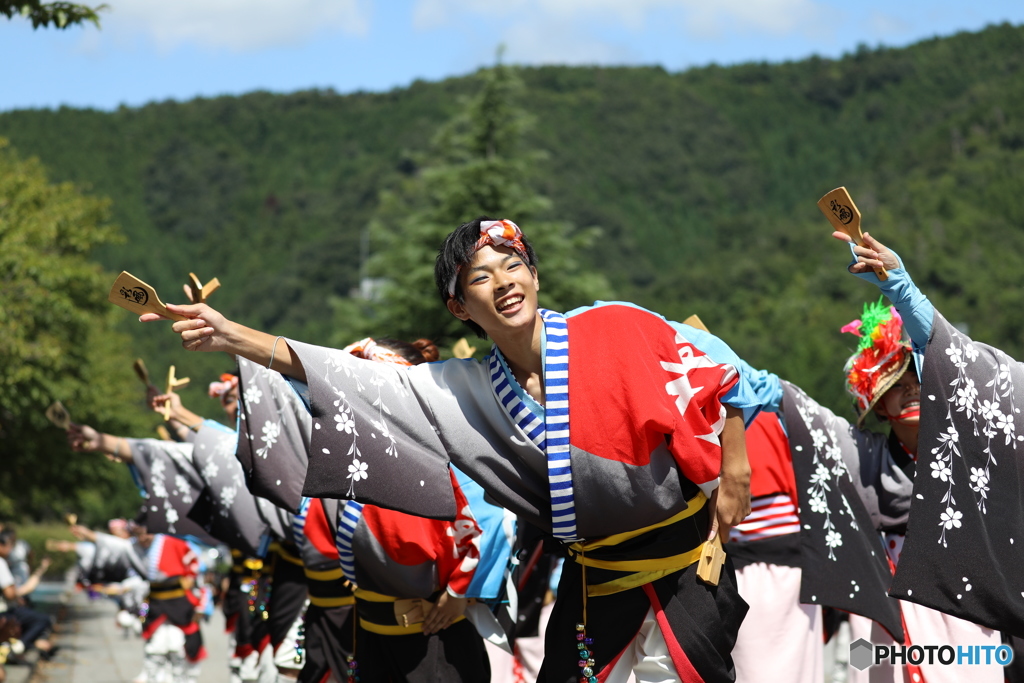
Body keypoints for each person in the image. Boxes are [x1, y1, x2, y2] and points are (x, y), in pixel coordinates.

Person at [146, 217, 760, 682]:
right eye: (481, 278)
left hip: (685, 567)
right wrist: (233, 337)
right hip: (594, 578)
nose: (504, 284)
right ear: (459, 306)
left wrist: (734, 465)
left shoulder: (612, 326)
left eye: (513, 266)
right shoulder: (461, 392)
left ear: (535, 273)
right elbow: (352, 379)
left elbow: (725, 371)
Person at [0, 530, 55, 659]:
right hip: (4, 613)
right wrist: (19, 593)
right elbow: (10, 593)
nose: (11, 549)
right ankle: (17, 648)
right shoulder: (1, 563)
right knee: (42, 620)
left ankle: (21, 646)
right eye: (9, 545)